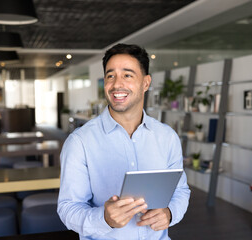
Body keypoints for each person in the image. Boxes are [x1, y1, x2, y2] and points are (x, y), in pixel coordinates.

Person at [57, 43, 190, 240]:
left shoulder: (167, 137)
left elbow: (180, 191)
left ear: (146, 83)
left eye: (127, 75)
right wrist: (103, 218)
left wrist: (169, 213)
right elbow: (68, 208)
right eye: (110, 76)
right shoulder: (79, 142)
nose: (117, 84)